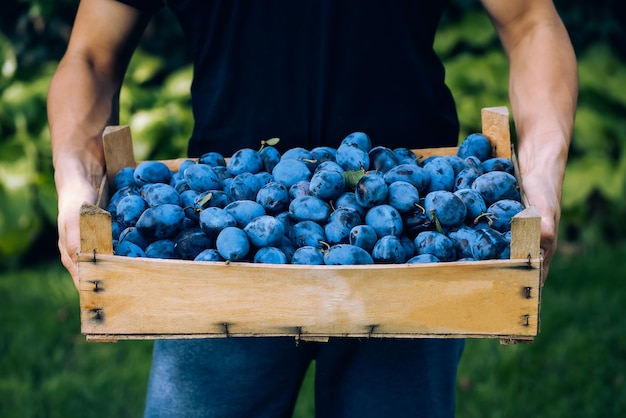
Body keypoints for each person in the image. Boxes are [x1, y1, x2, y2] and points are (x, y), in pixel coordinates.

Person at [48, 0, 577, 417]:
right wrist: (74, 181)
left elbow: (530, 21)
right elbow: (91, 55)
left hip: (412, 248)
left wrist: (542, 179)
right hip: (219, 257)